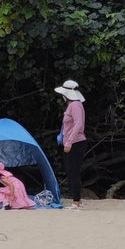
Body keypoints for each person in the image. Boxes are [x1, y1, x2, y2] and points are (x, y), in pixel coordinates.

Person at [54, 80, 87, 209]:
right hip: (71, 141)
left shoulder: (75, 105)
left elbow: (78, 124)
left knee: (73, 172)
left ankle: (76, 202)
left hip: (76, 142)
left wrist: (69, 142)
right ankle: (77, 201)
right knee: (71, 171)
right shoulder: (72, 105)